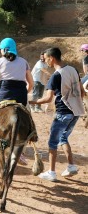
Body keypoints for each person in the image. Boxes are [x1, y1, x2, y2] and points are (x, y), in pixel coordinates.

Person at [29, 47, 85, 181]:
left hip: (63, 113)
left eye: (47, 58)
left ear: (51, 58)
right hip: (75, 111)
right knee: (63, 138)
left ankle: (52, 172)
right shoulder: (73, 70)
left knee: (52, 142)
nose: (46, 61)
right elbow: (82, 91)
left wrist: (33, 102)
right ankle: (71, 166)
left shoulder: (55, 76)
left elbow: (48, 99)